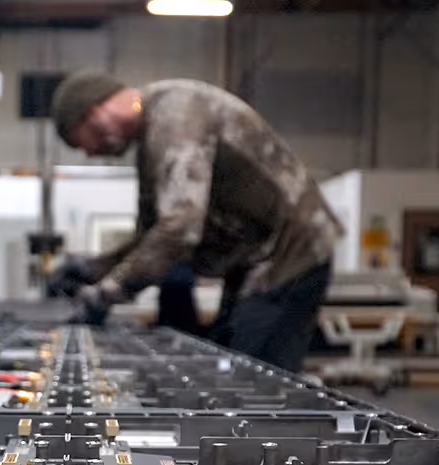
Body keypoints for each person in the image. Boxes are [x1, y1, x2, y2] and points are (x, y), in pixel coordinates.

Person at [48, 70, 342, 372]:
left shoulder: (175, 116)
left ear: (94, 114)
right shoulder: (152, 135)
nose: (90, 153)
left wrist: (105, 294)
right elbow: (151, 237)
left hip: (289, 255)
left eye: (81, 143)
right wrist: (92, 268)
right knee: (230, 366)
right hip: (255, 264)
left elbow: (179, 230)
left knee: (254, 377)